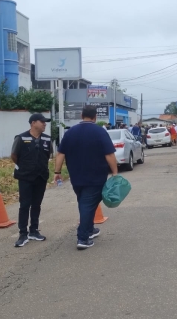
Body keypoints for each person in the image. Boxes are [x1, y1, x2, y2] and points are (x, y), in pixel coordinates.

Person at [54, 105, 118, 250]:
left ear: (82, 115)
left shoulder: (70, 132)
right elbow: (109, 154)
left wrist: (57, 172)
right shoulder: (99, 131)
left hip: (76, 176)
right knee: (87, 204)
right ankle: (83, 238)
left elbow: (60, 154)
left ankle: (89, 229)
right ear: (95, 117)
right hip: (95, 176)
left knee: (85, 203)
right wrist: (115, 173)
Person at [11, 113, 51, 247]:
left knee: (36, 205)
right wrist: (25, 166)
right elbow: (14, 155)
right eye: (42, 122)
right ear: (33, 123)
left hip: (41, 176)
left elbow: (47, 155)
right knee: (24, 205)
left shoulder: (47, 139)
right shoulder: (21, 138)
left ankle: (34, 230)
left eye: (45, 122)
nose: (45, 124)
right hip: (25, 177)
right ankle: (23, 233)